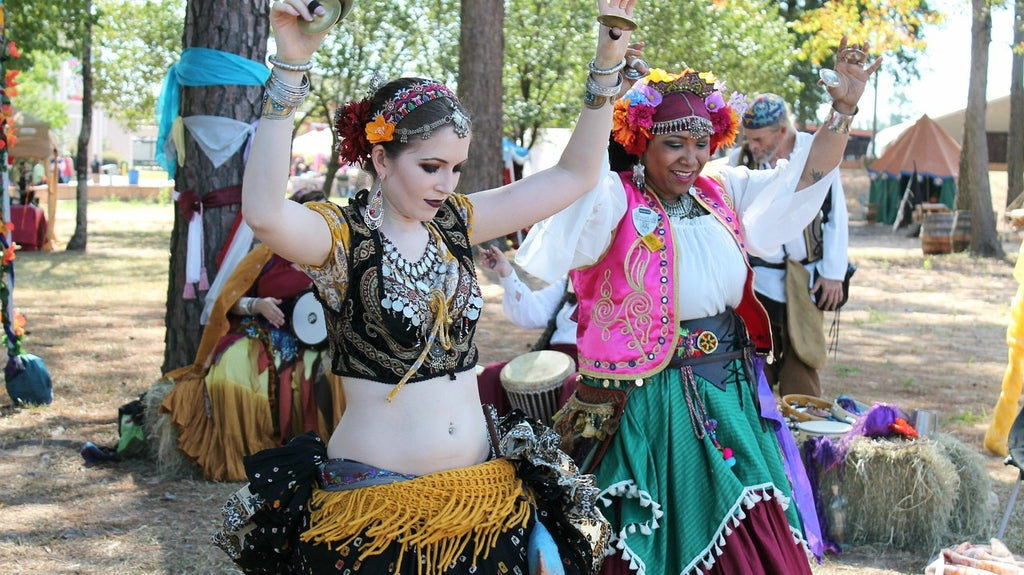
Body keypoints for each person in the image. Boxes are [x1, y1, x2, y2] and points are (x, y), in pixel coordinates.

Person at [215, 1, 637, 573]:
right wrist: (290, 68)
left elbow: (575, 176)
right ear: (383, 159)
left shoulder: (457, 224)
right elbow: (265, 213)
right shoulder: (343, 240)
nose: (447, 184)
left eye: (456, 169)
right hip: (374, 515)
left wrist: (605, 62)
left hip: (480, 502)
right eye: (431, 167)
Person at [516, 40, 880, 574]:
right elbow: (578, 183)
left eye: (700, 142)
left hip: (726, 389)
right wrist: (609, 83)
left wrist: (842, 111)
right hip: (647, 404)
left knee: (751, 520)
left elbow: (800, 179)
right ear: (641, 144)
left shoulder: (720, 190)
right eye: (673, 144)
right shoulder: (615, 200)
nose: (690, 157)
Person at [160, 189, 344, 482]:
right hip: (264, 333)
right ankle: (252, 453)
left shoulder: (335, 259)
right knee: (232, 372)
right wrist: (257, 305)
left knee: (334, 376)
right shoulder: (265, 255)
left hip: (319, 342)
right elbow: (228, 301)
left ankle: (327, 454)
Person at [728, 93, 850, 398]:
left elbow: (835, 214)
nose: (753, 145)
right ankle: (759, 436)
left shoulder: (814, 153)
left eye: (758, 138)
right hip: (755, 279)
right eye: (749, 138)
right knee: (754, 363)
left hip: (804, 277)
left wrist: (833, 273)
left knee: (802, 361)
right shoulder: (740, 161)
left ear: (782, 130)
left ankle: (806, 435)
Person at [476, 245, 579, 415]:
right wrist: (506, 272)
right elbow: (533, 313)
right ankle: (490, 440)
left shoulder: (630, 282)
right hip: (551, 358)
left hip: (593, 365)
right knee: (492, 375)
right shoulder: (574, 277)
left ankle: (563, 442)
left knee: (573, 384)